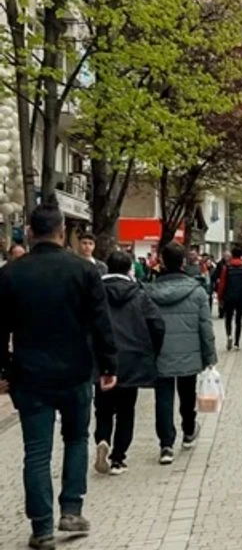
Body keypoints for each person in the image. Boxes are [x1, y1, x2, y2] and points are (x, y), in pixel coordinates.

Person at [0, 205, 117, 549]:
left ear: (31, 233)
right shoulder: (83, 271)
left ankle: (41, 528)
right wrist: (109, 366)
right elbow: (101, 323)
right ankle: (71, 509)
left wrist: (4, 369)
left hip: (30, 374)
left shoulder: (10, 275)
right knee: (76, 439)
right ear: (63, 232)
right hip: (76, 371)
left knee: (36, 450)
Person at [94, 251, 165, 476]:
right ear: (129, 270)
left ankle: (102, 439)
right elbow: (157, 324)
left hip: (103, 359)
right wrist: (151, 351)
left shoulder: (95, 293)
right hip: (132, 359)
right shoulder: (139, 294)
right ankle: (118, 459)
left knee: (103, 408)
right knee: (126, 410)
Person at [147, 243, 216, 464]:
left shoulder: (149, 291)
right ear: (184, 262)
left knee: (163, 398)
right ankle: (188, 431)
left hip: (160, 354)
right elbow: (205, 327)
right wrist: (209, 357)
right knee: (187, 394)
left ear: (162, 262)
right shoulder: (197, 292)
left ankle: (166, 445)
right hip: (189, 353)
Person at [215, 246, 242, 351]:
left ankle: (229, 335)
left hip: (229, 297)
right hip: (241, 297)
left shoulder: (227, 267)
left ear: (232, 255)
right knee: (238, 320)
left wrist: (220, 298)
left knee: (228, 318)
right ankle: (237, 343)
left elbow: (222, 284)